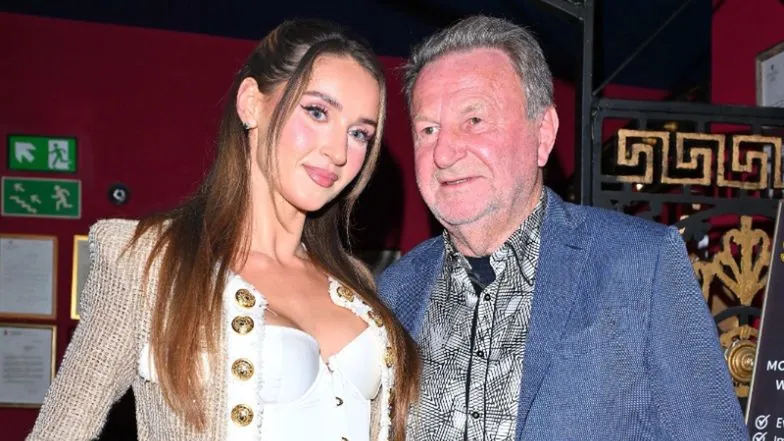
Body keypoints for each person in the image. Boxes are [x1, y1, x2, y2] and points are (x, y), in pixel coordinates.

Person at [27, 18, 419, 441]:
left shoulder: (355, 284)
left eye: (359, 133)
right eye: (317, 112)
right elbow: (59, 431)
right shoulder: (148, 263)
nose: (338, 151)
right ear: (251, 104)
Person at [378, 15, 748, 441]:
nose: (443, 152)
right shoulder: (395, 291)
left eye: (474, 120)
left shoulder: (642, 266)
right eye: (427, 129)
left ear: (543, 134)